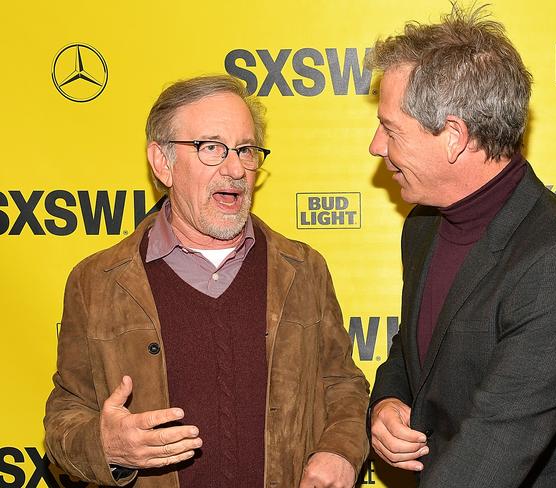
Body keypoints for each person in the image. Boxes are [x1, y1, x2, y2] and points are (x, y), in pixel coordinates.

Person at [44, 74, 369, 488]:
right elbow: (64, 417)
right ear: (163, 163)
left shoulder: (303, 269)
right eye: (211, 148)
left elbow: (342, 384)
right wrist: (106, 446)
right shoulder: (95, 282)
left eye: (246, 150)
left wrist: (339, 451)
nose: (235, 169)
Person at [367, 5, 556, 487]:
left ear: (454, 138)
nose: (376, 146)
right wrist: (385, 403)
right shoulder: (422, 226)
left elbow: (497, 447)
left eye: (391, 128)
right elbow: (415, 349)